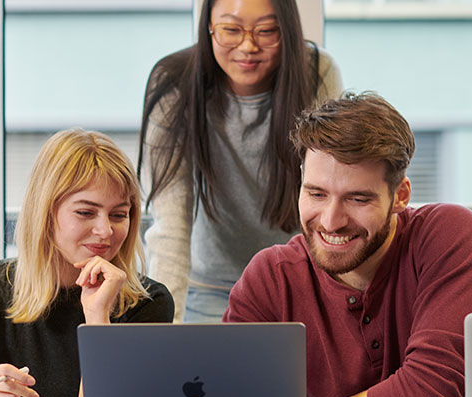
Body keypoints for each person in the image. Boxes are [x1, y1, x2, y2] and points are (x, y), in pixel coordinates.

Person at [224, 92, 472, 397]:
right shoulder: (270, 278)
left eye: (357, 199)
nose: (331, 221)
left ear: (400, 196)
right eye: (316, 194)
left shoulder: (451, 236)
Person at [0, 129, 173, 397]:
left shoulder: (149, 301)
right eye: (86, 213)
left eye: (118, 215)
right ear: (46, 213)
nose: (105, 231)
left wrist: (97, 322)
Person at [139, 0, 343, 322]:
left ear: (288, 30)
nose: (248, 46)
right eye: (230, 30)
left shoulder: (316, 72)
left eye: (266, 31)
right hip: (208, 287)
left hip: (296, 283)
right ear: (208, 27)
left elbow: (330, 192)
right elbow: (170, 224)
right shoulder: (174, 83)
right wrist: (166, 327)